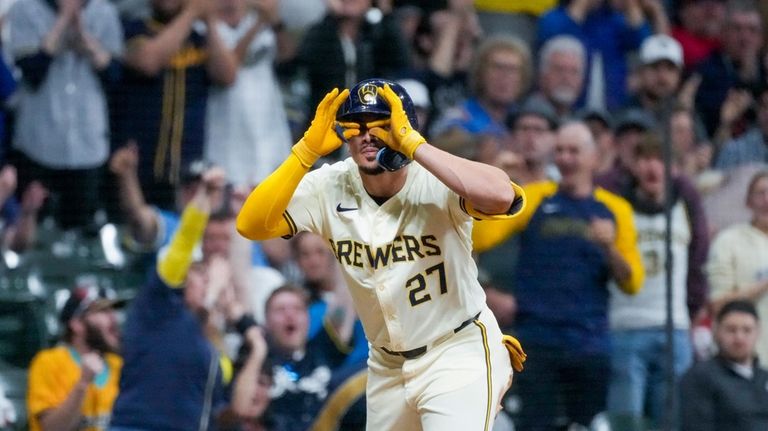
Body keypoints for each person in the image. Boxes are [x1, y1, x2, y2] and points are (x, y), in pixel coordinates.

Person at [237, 78, 526, 430]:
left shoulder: (435, 176)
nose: (367, 135)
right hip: (387, 366)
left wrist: (415, 146)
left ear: (403, 128)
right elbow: (251, 224)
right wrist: (305, 152)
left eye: (380, 124)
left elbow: (502, 196)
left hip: (455, 350)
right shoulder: (331, 184)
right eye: (356, 126)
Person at [472, 121, 644, 429]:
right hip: (537, 341)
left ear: (593, 158)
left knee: (587, 426)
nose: (565, 158)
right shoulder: (536, 197)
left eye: (574, 151)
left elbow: (631, 282)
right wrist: (493, 180)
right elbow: (480, 237)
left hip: (589, 342)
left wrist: (610, 248)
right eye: (560, 151)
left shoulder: (614, 209)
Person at [109, 167, 232, 431]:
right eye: (201, 275)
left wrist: (211, 317)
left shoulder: (207, 333)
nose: (208, 282)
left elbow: (222, 375)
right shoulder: (157, 307)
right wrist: (204, 198)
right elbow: (182, 247)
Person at [607, 134, 709, 428]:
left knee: (671, 422)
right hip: (625, 324)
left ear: (674, 167)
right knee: (626, 422)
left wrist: (693, 306)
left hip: (674, 327)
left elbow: (698, 260)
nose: (653, 167)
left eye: (661, 159)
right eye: (645, 159)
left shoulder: (686, 207)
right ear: (634, 166)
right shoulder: (616, 206)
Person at [6, 0, 123, 229]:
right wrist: (62, 21)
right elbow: (31, 72)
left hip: (88, 144)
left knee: (81, 230)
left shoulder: (104, 12)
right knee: (32, 226)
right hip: (38, 143)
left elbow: (115, 78)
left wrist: (86, 40)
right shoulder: (25, 9)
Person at [110, 0, 237, 210]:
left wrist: (210, 22)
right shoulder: (133, 29)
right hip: (137, 165)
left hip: (187, 168)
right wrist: (191, 13)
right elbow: (148, 62)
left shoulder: (199, 38)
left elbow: (227, 76)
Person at [27, 285, 122, 431]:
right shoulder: (49, 362)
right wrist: (83, 383)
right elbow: (52, 428)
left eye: (112, 310)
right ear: (77, 324)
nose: (113, 317)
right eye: (102, 311)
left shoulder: (118, 365)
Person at [706, 170, 768, 362]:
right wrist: (762, 285)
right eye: (761, 193)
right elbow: (717, 305)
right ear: (748, 202)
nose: (767, 199)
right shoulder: (729, 241)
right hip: (750, 362)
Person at [680, 300, 768, 431]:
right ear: (716, 331)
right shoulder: (701, 377)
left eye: (747, 330)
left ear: (758, 332)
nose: (739, 337)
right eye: (731, 330)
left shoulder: (763, 377)